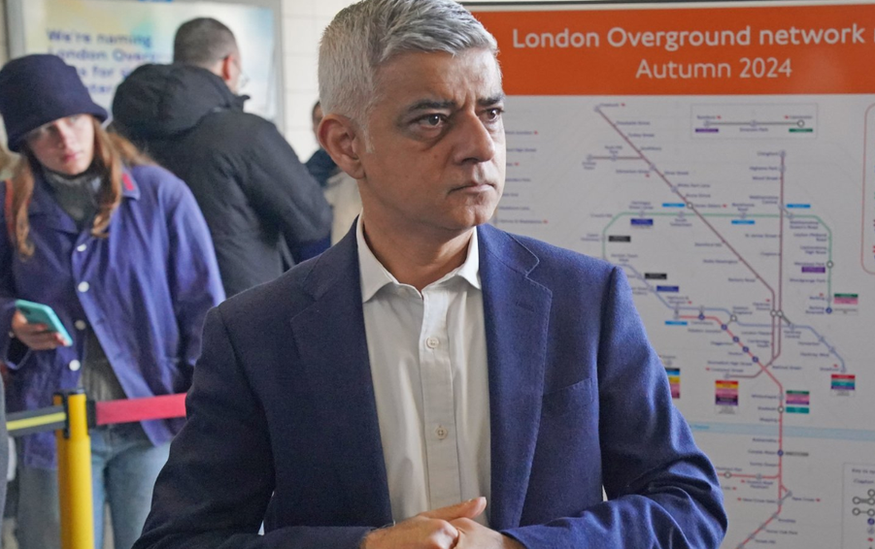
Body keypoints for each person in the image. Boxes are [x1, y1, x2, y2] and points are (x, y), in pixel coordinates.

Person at [134, 0, 728, 547]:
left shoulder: (585, 299)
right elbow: (181, 541)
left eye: (490, 112)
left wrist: (524, 547)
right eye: (433, 119)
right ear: (346, 145)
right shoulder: (256, 333)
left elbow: (688, 504)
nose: (479, 146)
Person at [0, 54, 224, 549]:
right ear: (25, 145)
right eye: (44, 131)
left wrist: (205, 410)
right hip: (50, 420)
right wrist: (10, 321)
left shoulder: (162, 195)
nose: (65, 140)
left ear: (95, 121)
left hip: (150, 415)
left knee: (154, 541)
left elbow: (203, 308)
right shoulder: (8, 206)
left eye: (74, 121)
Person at [112, 17, 333, 298]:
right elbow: (314, 221)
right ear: (230, 65)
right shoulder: (246, 133)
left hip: (152, 309)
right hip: (243, 312)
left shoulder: (120, 133)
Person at [306, 100, 362, 244]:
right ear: (313, 128)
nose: (326, 129)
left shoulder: (365, 173)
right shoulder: (303, 175)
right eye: (319, 120)